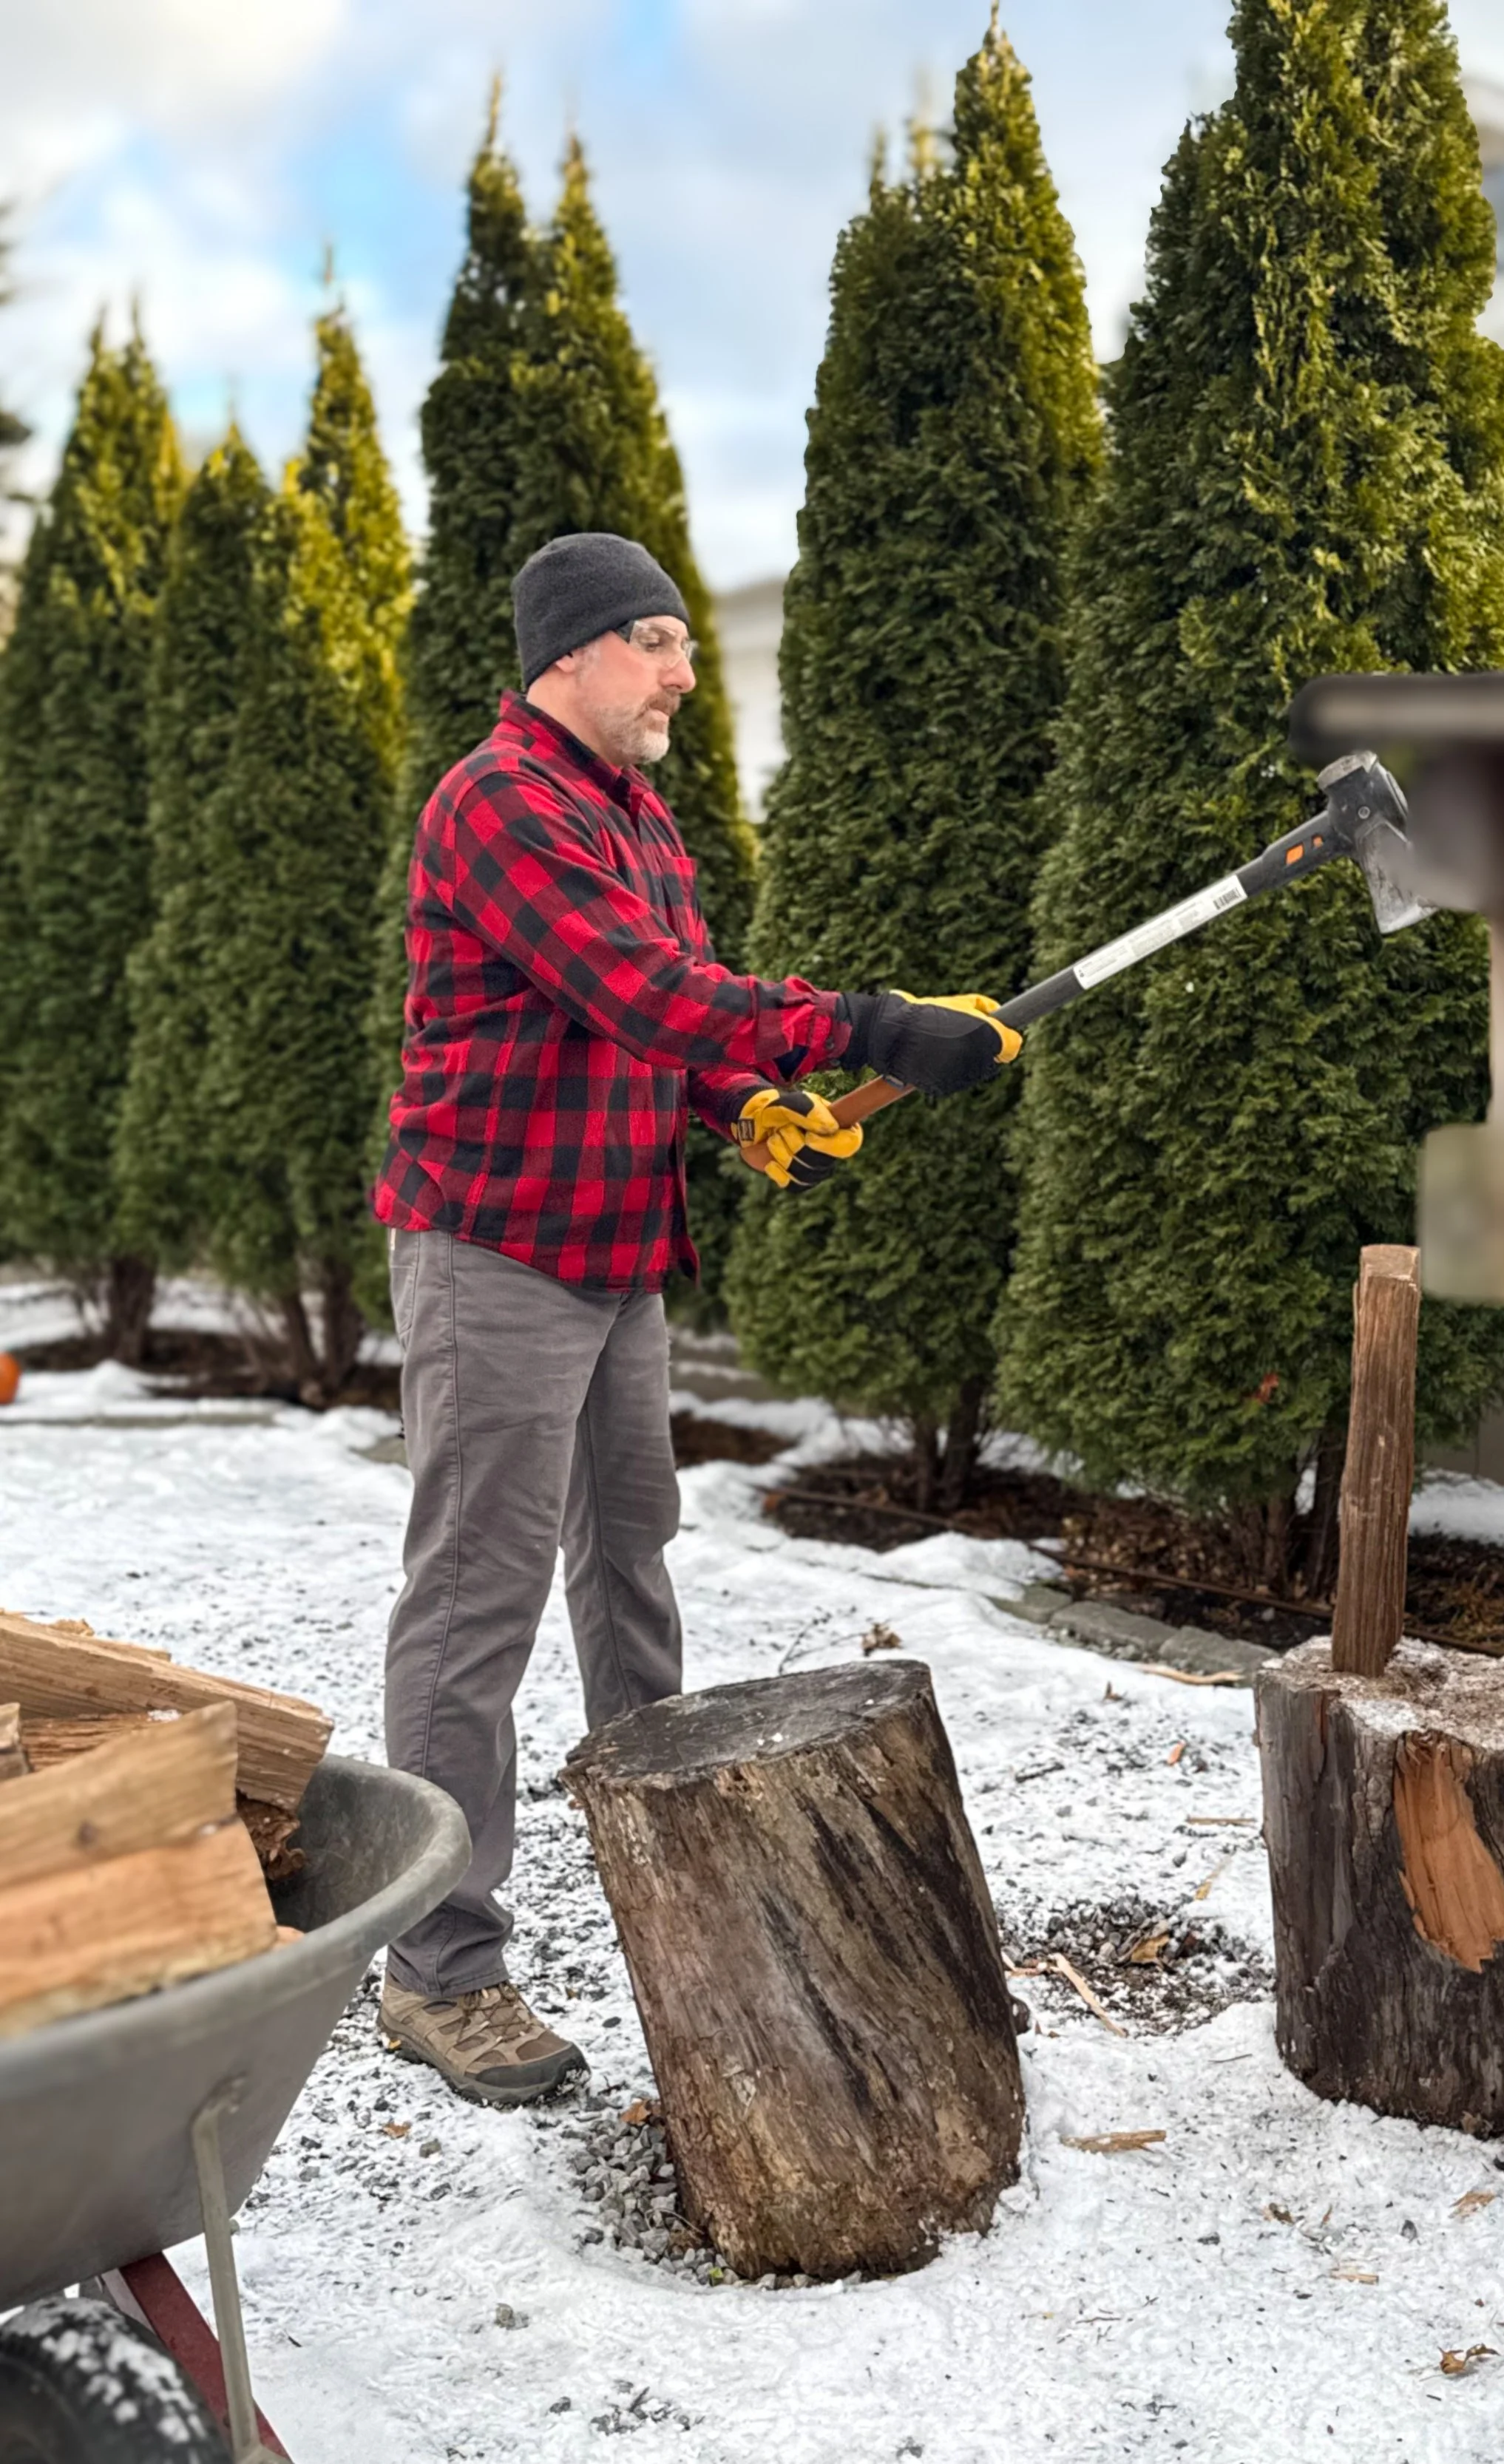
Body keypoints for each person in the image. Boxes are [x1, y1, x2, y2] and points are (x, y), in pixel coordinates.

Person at [373, 530, 1020, 2105]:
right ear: (571, 654)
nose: (680, 672)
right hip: (497, 1250)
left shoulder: (637, 819)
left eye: (678, 641)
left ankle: (671, 1845)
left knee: (630, 1560)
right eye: (653, 641)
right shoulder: (502, 804)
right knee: (478, 1601)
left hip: (613, 1249)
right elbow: (640, 990)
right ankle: (437, 1967)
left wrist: (744, 1102)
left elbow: (669, 1020)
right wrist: (866, 1026)